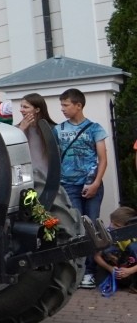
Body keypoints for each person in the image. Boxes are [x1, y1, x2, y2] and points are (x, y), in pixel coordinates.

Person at [56, 87, 108, 289]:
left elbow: (103, 159)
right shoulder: (58, 130)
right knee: (76, 228)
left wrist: (95, 183)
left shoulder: (95, 129)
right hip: (68, 185)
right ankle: (78, 271)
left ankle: (91, 271)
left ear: (78, 105)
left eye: (66, 105)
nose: (62, 109)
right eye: (61, 105)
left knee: (92, 227)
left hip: (91, 184)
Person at [92, 206, 137, 293]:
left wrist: (129, 271)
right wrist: (110, 268)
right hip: (115, 268)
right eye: (111, 222)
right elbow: (97, 256)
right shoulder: (107, 233)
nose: (111, 226)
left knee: (133, 247)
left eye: (116, 225)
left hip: (131, 269)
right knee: (107, 248)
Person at [15, 93, 56, 177]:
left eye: (25, 107)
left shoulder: (52, 129)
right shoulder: (16, 129)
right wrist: (21, 130)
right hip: (26, 177)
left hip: (48, 178)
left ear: (37, 110)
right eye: (21, 106)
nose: (21, 110)